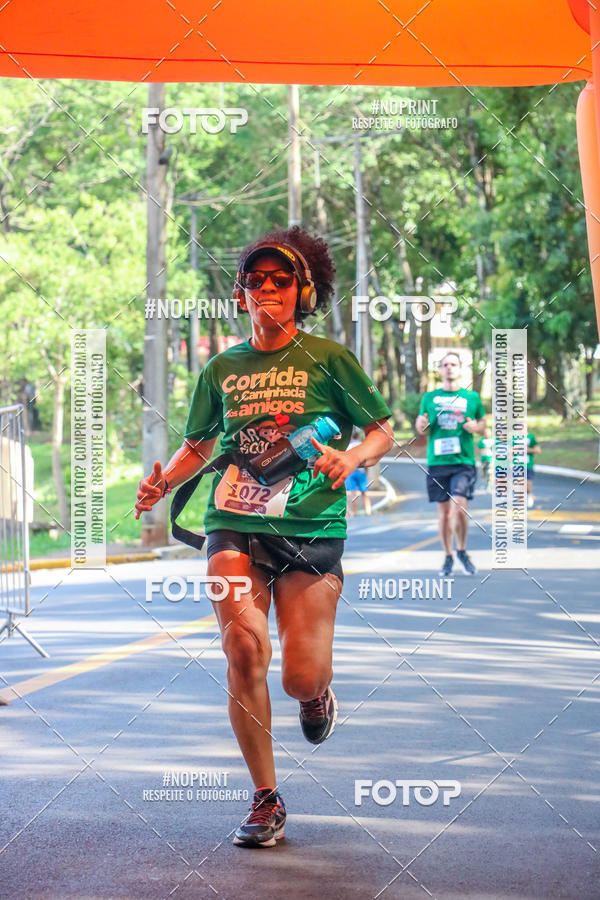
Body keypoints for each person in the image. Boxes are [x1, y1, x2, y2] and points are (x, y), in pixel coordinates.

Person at [135, 226, 393, 848]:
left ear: (305, 291)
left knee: (300, 676)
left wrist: (353, 457)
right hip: (235, 521)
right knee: (243, 649)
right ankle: (265, 798)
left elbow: (382, 427)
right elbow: (200, 444)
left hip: (310, 526)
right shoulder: (222, 367)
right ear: (241, 293)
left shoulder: (329, 358)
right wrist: (164, 482)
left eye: (282, 280)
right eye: (256, 280)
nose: (268, 289)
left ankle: (315, 696)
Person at [415, 352, 486, 577]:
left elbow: (483, 425)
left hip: (463, 461)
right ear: (440, 370)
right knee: (444, 514)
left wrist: (476, 427)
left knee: (459, 508)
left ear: (460, 368)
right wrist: (420, 424)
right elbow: (422, 427)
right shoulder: (430, 397)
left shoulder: (471, 397)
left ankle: (462, 550)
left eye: (453, 364)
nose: (449, 368)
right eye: (445, 364)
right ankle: (448, 556)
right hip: (437, 462)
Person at [345, 428, 372, 516]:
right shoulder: (362, 445)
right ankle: (368, 512)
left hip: (351, 471)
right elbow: (367, 460)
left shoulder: (348, 446)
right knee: (364, 493)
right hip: (361, 471)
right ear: (359, 436)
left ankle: (355, 513)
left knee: (353, 493)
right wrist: (367, 472)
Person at [526, 431, 541, 508]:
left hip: (528, 465)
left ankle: (529, 494)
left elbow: (538, 450)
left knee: (527, 486)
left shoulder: (531, 437)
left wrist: (527, 450)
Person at [477, 428, 493, 492]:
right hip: (483, 459)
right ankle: (484, 484)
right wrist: (483, 450)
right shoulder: (481, 441)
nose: (487, 434)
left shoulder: (492, 440)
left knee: (490, 472)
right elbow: (478, 449)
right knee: (483, 472)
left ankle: (489, 486)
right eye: (486, 432)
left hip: (490, 459)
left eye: (488, 432)